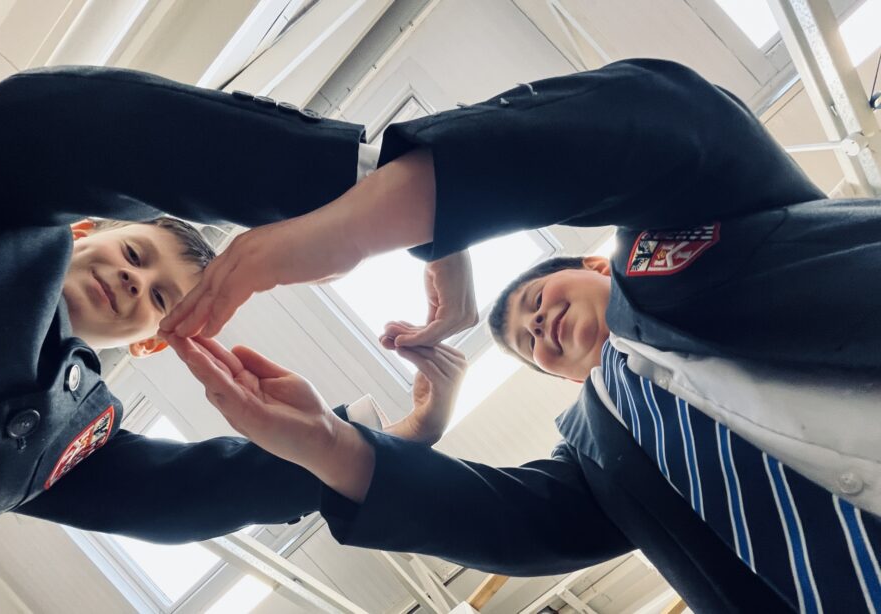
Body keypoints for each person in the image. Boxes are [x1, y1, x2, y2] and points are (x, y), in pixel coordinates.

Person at [163, 58, 881, 612]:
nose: (537, 326)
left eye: (538, 299)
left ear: (599, 263)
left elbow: (669, 121)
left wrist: (364, 226)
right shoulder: (609, 451)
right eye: (531, 345)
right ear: (568, 378)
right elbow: (512, 525)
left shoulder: (702, 231)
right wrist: (325, 442)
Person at [0, 65, 468, 604]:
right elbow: (86, 131)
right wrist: (382, 193)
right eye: (135, 252)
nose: (131, 279)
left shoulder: (77, 428)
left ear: (153, 341)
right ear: (85, 229)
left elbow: (185, 496)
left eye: (158, 298)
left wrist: (400, 438)